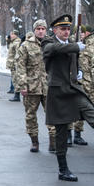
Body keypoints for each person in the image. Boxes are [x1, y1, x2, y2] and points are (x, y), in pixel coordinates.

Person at [42, 14, 94, 181]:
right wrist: (76, 46)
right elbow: (54, 50)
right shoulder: (48, 43)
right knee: (61, 131)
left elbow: (74, 63)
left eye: (68, 29)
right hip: (58, 92)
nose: (66, 32)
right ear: (55, 30)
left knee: (90, 109)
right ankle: (63, 169)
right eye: (63, 29)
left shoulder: (72, 45)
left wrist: (79, 72)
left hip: (74, 89)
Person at [15, 20, 55, 152]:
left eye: (43, 28)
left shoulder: (51, 44)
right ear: (34, 30)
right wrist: (23, 85)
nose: (41, 31)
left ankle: (53, 142)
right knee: (30, 115)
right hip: (32, 86)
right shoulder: (26, 46)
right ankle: (34, 142)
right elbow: (20, 66)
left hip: (49, 86)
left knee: (52, 114)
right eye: (38, 28)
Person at [75, 25, 94, 145]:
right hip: (82, 81)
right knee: (79, 108)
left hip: (91, 82)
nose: (80, 34)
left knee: (88, 109)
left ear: (87, 33)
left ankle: (77, 133)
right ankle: (75, 134)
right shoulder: (81, 42)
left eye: (81, 32)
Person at [7, 30, 21, 101]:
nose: (11, 36)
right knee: (14, 79)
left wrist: (15, 64)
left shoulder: (17, 43)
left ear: (15, 35)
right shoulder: (12, 42)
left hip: (15, 64)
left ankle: (17, 95)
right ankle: (16, 94)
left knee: (16, 80)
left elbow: (17, 54)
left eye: (12, 34)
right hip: (12, 64)